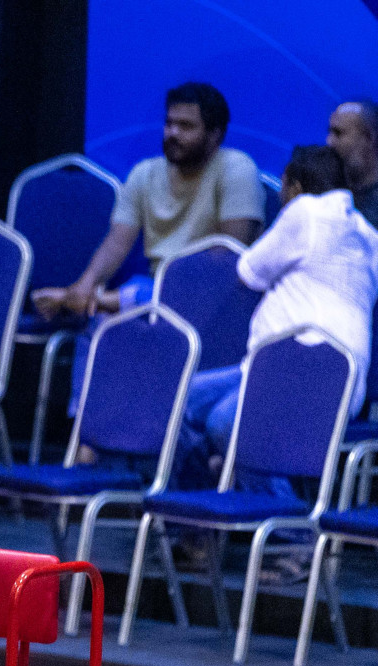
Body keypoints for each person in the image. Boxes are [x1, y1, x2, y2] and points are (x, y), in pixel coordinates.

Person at [175, 145, 378, 582]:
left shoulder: (305, 212)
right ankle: (199, 528)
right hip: (309, 374)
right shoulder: (365, 231)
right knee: (184, 402)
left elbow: (249, 271)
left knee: (228, 424)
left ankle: (295, 538)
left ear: (295, 187)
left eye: (283, 188)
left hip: (305, 372)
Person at [31, 82, 264, 423]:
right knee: (98, 321)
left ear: (215, 134)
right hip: (155, 292)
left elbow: (227, 259)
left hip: (216, 300)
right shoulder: (145, 173)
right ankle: (87, 437)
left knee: (132, 297)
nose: (172, 133)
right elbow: (116, 242)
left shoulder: (237, 168)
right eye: (169, 124)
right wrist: (84, 287)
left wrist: (96, 294)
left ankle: (111, 299)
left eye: (186, 127)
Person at [326, 99, 378, 228]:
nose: (329, 142)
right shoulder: (329, 192)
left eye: (338, 133)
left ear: (369, 138)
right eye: (329, 132)